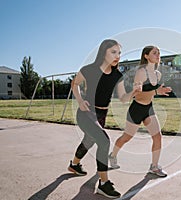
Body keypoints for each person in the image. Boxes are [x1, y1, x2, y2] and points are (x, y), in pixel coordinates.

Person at [68, 39, 141, 198]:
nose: (118, 56)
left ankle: (74, 164)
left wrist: (133, 92)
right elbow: (75, 84)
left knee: (90, 140)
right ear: (103, 53)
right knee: (104, 141)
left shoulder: (117, 75)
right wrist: (80, 101)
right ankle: (104, 183)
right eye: (113, 52)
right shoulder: (88, 70)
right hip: (86, 113)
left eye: (119, 53)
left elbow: (122, 98)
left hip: (102, 115)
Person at [109, 45, 172, 177]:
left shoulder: (158, 74)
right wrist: (156, 91)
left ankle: (154, 167)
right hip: (136, 109)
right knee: (127, 137)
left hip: (148, 109)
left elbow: (150, 94)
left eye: (159, 53)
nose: (158, 55)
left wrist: (158, 92)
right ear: (146, 56)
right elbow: (138, 94)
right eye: (154, 53)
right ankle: (113, 155)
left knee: (157, 136)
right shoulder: (141, 72)